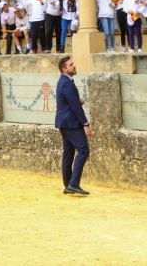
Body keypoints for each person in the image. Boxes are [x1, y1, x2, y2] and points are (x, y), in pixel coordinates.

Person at [55, 55, 91, 195]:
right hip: (70, 123)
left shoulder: (64, 81)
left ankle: (68, 185)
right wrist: (85, 123)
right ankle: (74, 184)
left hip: (65, 122)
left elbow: (72, 102)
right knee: (83, 150)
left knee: (68, 154)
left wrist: (77, 101)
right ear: (64, 69)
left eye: (73, 64)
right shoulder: (66, 83)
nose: (74, 66)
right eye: (70, 65)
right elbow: (75, 107)